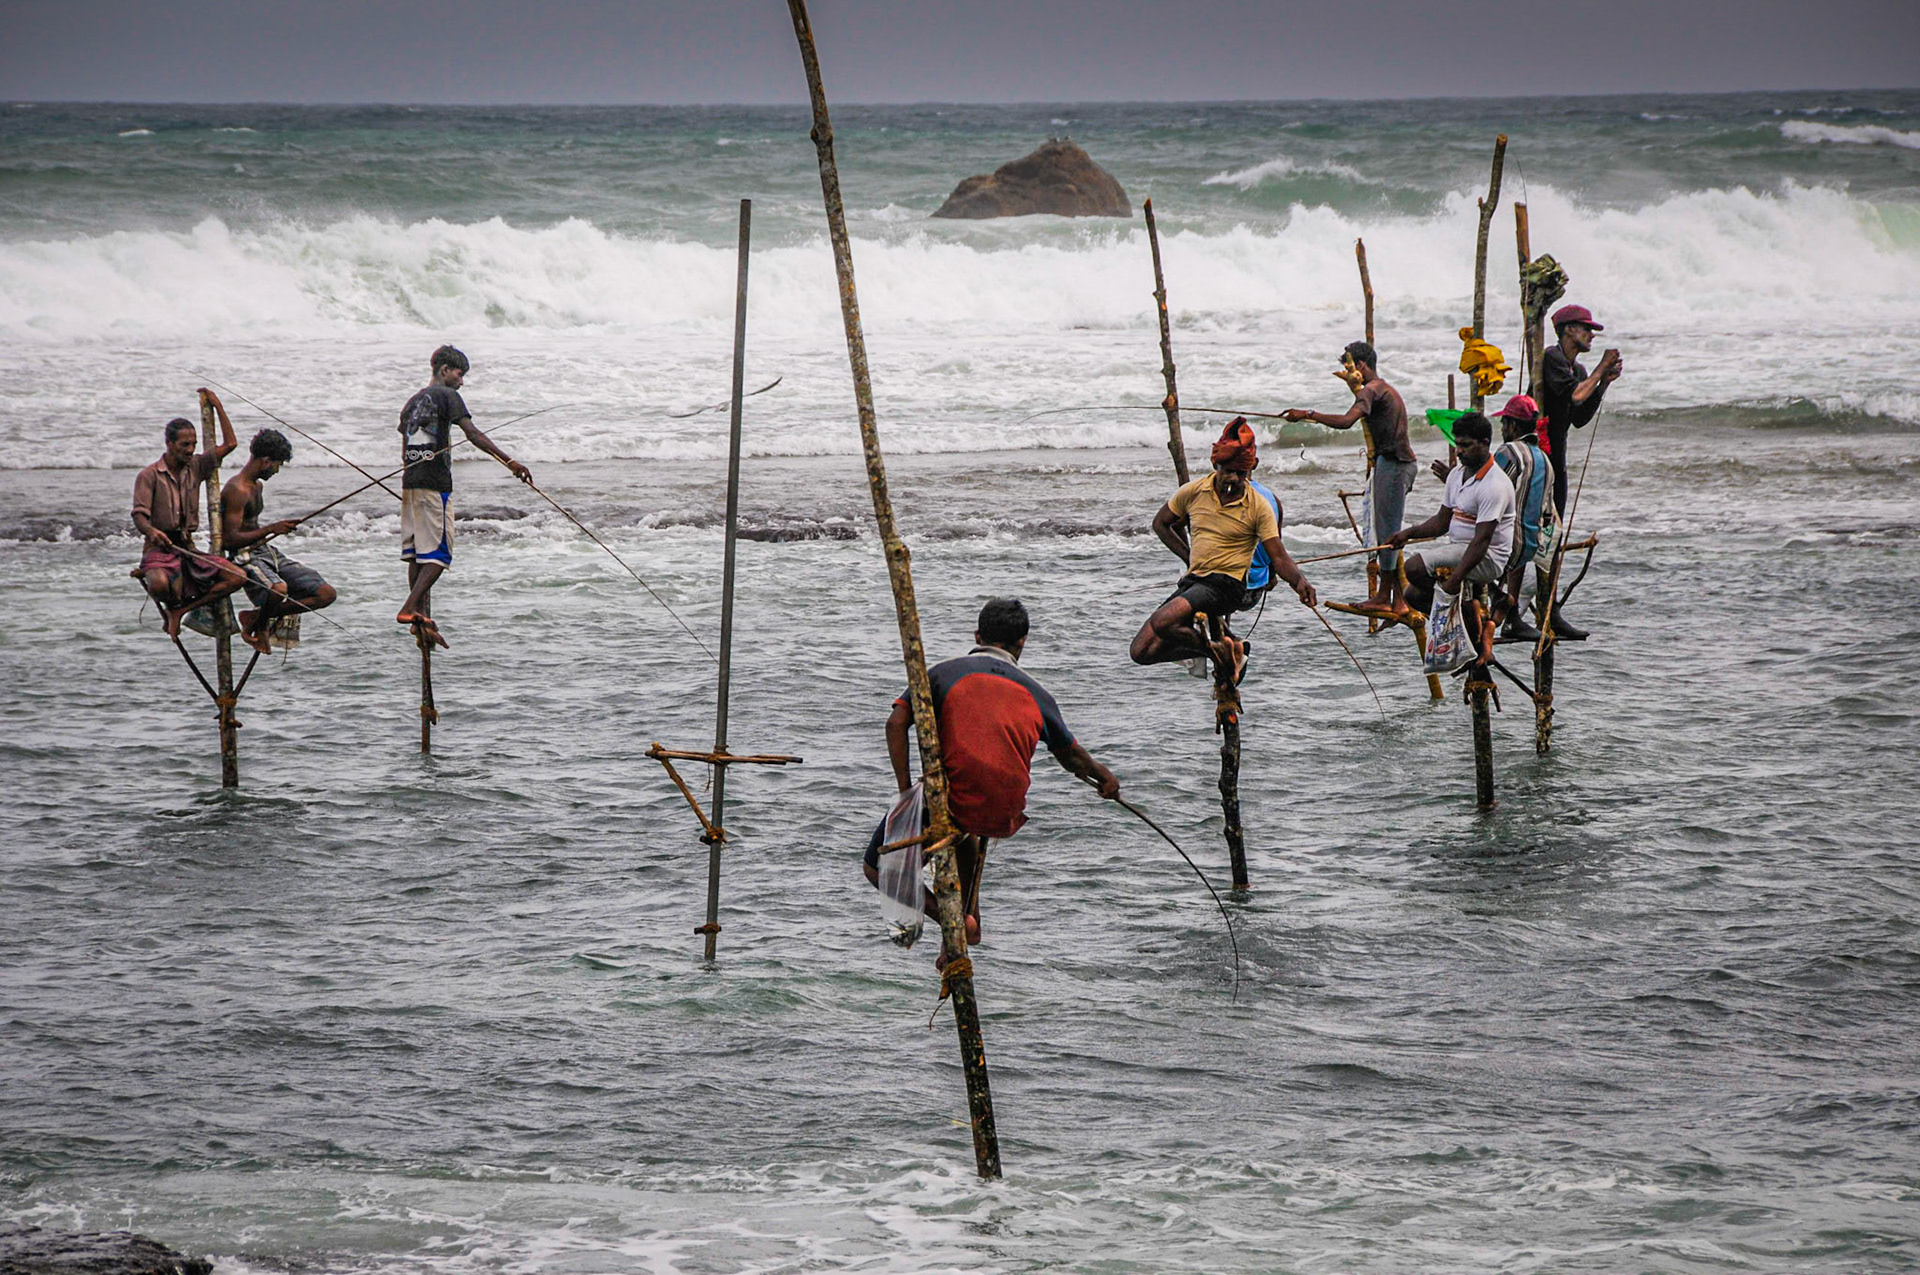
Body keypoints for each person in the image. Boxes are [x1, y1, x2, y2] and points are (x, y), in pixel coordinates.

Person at [862, 598, 1120, 952]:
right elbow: (1072, 756)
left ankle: (954, 920)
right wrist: (1104, 778)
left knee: (877, 867)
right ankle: (968, 925)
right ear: (1022, 641)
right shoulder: (1038, 693)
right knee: (967, 836)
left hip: (954, 799)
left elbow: (895, 723)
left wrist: (906, 792)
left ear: (977, 634)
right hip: (1003, 811)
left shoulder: (940, 673)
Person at [1130, 418, 1317, 684]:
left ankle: (1222, 649)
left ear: (1250, 471)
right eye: (1227, 471)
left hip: (1227, 585)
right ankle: (1229, 650)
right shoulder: (1194, 492)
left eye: (1240, 474)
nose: (1233, 479)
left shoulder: (1258, 506)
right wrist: (1188, 556)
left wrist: (1299, 581)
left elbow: (1278, 555)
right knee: (1141, 650)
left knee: (1163, 622)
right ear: (1214, 465)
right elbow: (1161, 524)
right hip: (1197, 580)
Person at [395, 345, 532, 647]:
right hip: (435, 485)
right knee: (440, 555)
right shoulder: (447, 396)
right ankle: (409, 608)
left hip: (411, 483)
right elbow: (473, 434)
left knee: (418, 555)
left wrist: (411, 479)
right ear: (444, 370)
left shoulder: (413, 402)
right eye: (460, 374)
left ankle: (418, 619)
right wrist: (510, 462)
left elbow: (405, 443)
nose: (461, 381)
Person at [1283, 341, 1417, 616]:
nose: (1346, 371)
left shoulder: (1371, 389)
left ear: (1362, 366)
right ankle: (1392, 597)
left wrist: (1308, 414)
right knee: (1387, 530)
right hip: (1394, 464)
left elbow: (1346, 422)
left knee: (1388, 533)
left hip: (1394, 465)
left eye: (1348, 365)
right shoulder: (1383, 388)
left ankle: (1391, 598)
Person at [131, 394, 247, 637]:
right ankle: (170, 601)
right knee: (160, 584)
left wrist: (217, 406)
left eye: (193, 444)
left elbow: (231, 444)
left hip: (187, 547)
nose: (191, 450)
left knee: (237, 576)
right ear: (169, 443)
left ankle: (181, 610)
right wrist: (152, 531)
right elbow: (139, 516)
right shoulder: (149, 475)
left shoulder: (196, 466)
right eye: (185, 445)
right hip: (158, 548)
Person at [1387, 411, 1514, 620]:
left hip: (1488, 557)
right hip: (1461, 549)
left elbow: (1482, 541)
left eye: (1465, 445)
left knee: (1414, 568)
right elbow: (1441, 522)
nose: (1459, 451)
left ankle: (1467, 612)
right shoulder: (1456, 474)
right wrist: (1406, 534)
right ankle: (1469, 617)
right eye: (1457, 445)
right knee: (1413, 595)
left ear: (1484, 443)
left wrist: (1454, 580)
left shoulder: (1494, 484)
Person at [220, 429, 338, 655]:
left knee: (325, 593)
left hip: (266, 551)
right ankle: (260, 625)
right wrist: (272, 528)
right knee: (279, 588)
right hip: (245, 555)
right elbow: (229, 539)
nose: (277, 470)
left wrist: (272, 531)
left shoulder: (257, 486)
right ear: (265, 461)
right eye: (277, 464)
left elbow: (253, 527)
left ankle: (256, 617)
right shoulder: (237, 489)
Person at [1537, 304, 1622, 517]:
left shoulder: (1578, 370)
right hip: (1538, 450)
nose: (1591, 336)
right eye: (1586, 329)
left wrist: (1603, 384)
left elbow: (1579, 418)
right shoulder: (1551, 357)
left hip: (1557, 451)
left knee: (1556, 514)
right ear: (1569, 329)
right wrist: (1601, 367)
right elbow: (1574, 394)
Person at [1489, 396, 1558, 642]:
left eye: (1504, 423)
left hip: (1505, 547)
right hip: (1528, 547)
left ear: (1513, 427)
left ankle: (1492, 597)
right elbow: (1548, 515)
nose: (1501, 428)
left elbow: (1489, 491)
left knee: (1468, 536)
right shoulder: (1545, 460)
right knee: (1516, 532)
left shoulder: (1508, 452)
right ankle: (1512, 615)